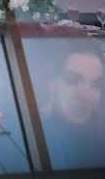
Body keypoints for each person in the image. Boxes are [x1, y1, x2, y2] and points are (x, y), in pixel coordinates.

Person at [40, 41, 105, 169]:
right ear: (50, 84)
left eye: (96, 84)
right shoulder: (36, 135)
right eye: (73, 81)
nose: (87, 94)